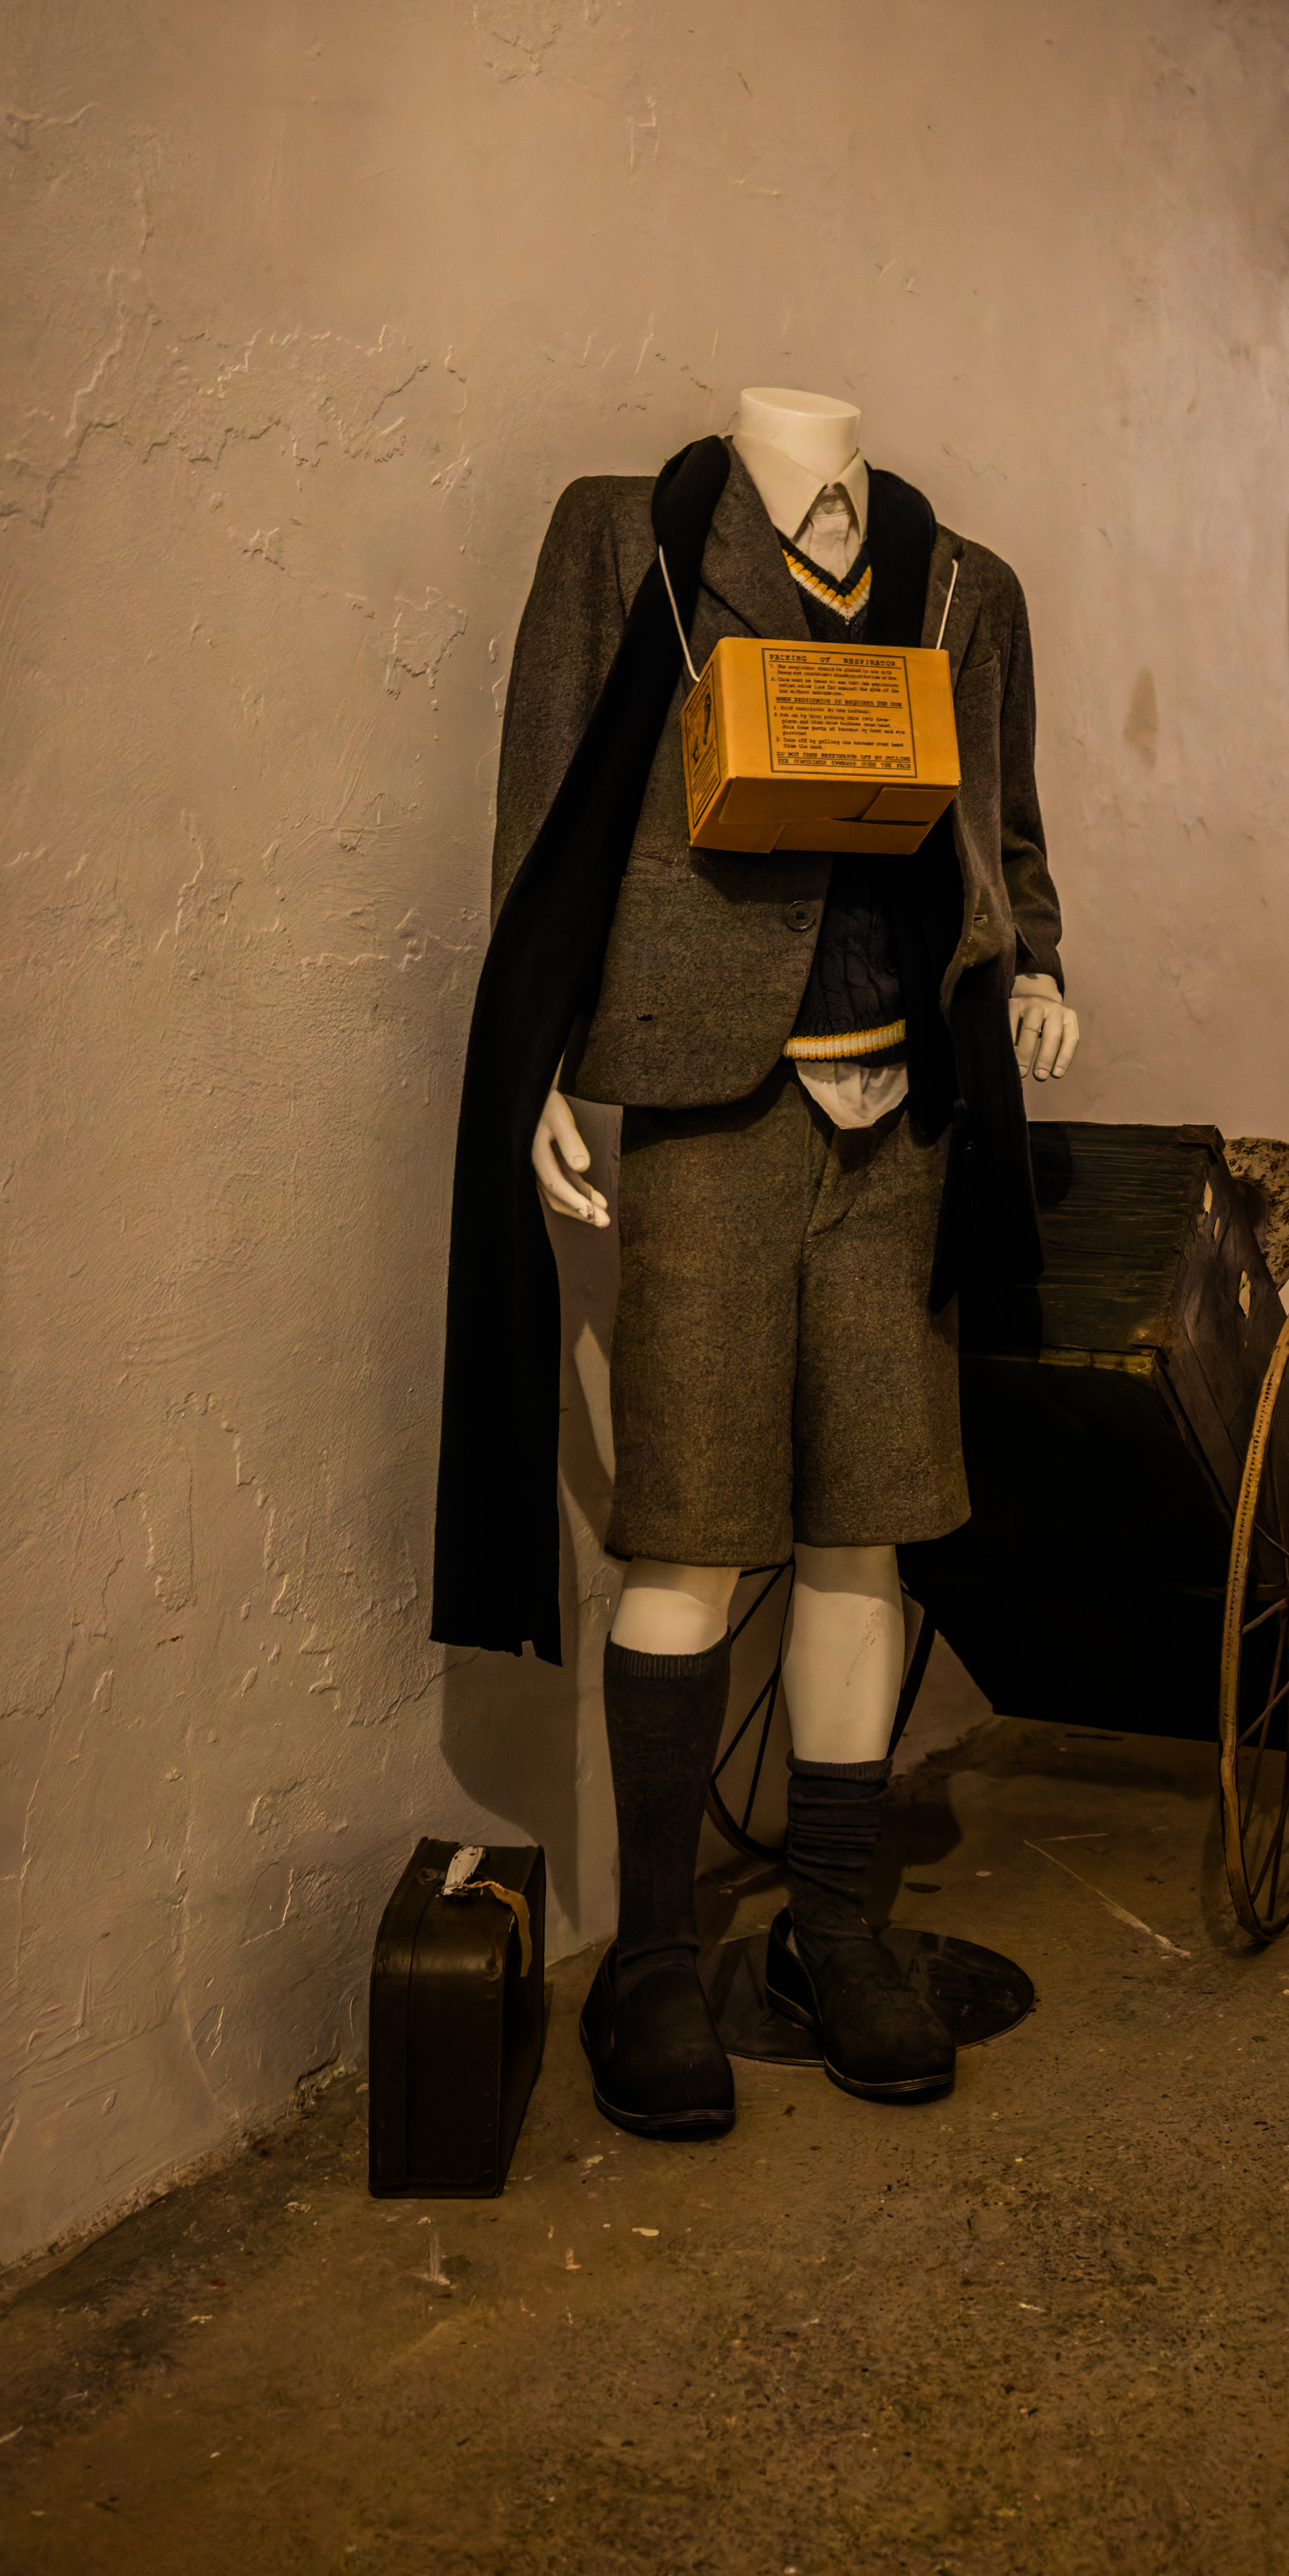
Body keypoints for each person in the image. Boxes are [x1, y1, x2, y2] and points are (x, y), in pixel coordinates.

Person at [431, 388, 1076, 2139]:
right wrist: (534, 1051)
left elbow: (1001, 816)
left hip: (907, 1113)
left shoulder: (962, 580)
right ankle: (652, 1957)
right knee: (689, 1535)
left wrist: (1033, 959)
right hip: (710, 1104)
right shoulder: (625, 534)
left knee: (866, 1526)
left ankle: (832, 1928)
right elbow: (548, 804)